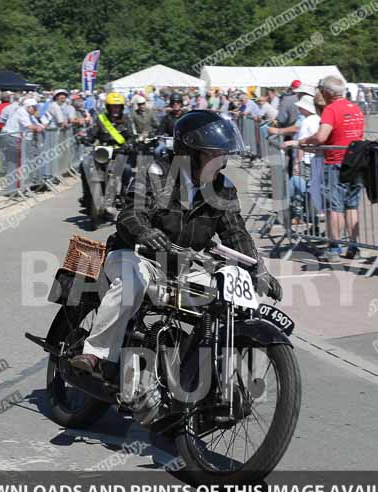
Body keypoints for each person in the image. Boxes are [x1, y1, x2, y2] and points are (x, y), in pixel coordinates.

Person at [70, 110, 282, 376]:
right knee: (133, 282)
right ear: (190, 154)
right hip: (135, 255)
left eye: (223, 156)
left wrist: (258, 269)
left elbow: (236, 233)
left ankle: (199, 370)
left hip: (184, 265)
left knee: (228, 297)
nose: (221, 163)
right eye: (213, 155)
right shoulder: (157, 174)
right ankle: (94, 352)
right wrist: (144, 232)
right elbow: (130, 213)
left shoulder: (222, 188)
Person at [296, 75, 365, 262]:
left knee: (334, 207)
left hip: (336, 162)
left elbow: (321, 136)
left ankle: (334, 248)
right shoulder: (355, 108)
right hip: (356, 162)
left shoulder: (331, 109)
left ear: (327, 92)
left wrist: (304, 141)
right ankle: (354, 246)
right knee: (351, 206)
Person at [82, 92, 135, 214]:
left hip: (120, 151)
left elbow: (132, 136)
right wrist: (85, 138)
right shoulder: (101, 119)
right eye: (112, 106)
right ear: (108, 107)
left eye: (117, 106)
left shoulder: (127, 120)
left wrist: (130, 144)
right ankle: (86, 196)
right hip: (102, 151)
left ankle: (124, 195)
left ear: (121, 107)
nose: (115, 109)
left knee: (126, 169)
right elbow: (92, 135)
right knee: (84, 164)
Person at [281, 95, 319, 224]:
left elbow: (301, 145)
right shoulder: (319, 119)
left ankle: (298, 215)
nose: (299, 109)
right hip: (316, 160)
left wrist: (297, 162)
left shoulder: (307, 122)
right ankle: (310, 218)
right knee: (310, 191)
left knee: (298, 187)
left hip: (306, 161)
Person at [2, 97, 44, 188]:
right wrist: (38, 128)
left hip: (16, 138)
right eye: (35, 107)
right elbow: (29, 125)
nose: (36, 110)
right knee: (14, 163)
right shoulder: (22, 112)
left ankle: (19, 186)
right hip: (11, 138)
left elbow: (37, 123)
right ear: (29, 107)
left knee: (20, 162)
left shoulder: (29, 114)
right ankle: (12, 188)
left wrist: (40, 126)